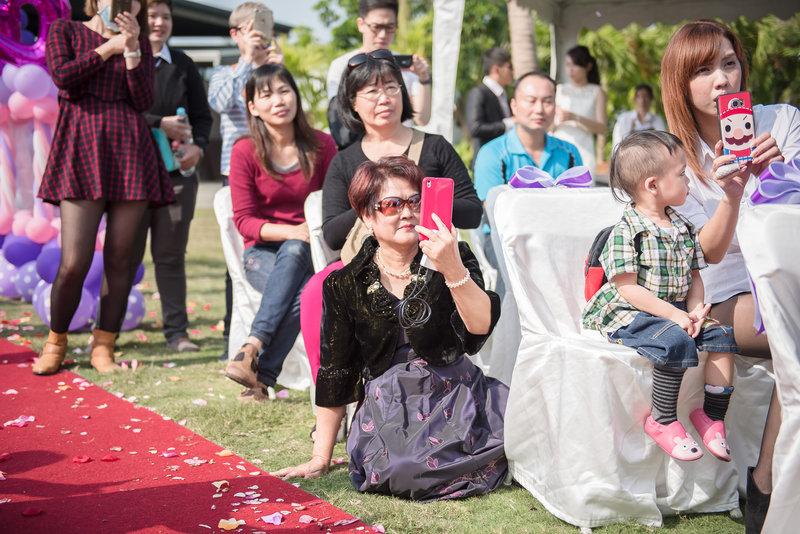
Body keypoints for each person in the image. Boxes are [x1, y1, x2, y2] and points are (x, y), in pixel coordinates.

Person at [273, 156, 508, 501]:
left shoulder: (452, 255)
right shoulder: (344, 283)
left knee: (524, 433)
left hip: (457, 393)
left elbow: (480, 327)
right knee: (404, 468)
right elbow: (337, 370)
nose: (407, 212)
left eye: (415, 201)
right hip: (391, 404)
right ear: (367, 216)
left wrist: (451, 267)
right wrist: (320, 457)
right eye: (392, 205)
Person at [661, 19, 800, 533]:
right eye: (703, 69)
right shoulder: (670, 154)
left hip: (789, 281)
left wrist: (783, 174)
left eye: (729, 63)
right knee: (797, 334)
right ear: (679, 81)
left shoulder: (781, 121)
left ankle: (764, 486)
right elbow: (702, 256)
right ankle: (765, 484)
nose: (722, 79)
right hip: (722, 298)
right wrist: (735, 196)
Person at [298, 50, 481, 422]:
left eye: (391, 87)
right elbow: (333, 233)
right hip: (365, 263)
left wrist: (421, 201)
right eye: (370, 91)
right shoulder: (344, 160)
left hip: (430, 260)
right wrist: (378, 197)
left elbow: (473, 211)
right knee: (316, 291)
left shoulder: (435, 146)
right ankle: (335, 408)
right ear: (352, 103)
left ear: (404, 93)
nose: (383, 98)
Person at [33, 0, 174, 376]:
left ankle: (103, 345)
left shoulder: (139, 42)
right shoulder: (66, 30)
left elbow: (143, 99)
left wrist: (129, 49)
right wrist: (106, 48)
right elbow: (63, 76)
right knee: (74, 261)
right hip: (81, 146)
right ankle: (55, 341)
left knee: (120, 261)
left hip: (130, 149)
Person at [583, 130, 740, 463]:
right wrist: (675, 316)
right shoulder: (628, 230)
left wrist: (696, 311)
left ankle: (712, 416)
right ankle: (663, 420)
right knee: (674, 341)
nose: (688, 181)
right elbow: (628, 288)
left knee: (723, 335)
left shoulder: (681, 226)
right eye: (682, 174)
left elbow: (695, 276)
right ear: (652, 185)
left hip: (678, 309)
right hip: (633, 311)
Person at [223, 64, 337, 403]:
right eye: (267, 94)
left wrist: (304, 235)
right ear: (253, 107)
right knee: (300, 274)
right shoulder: (245, 150)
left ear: (296, 96)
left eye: (284, 90)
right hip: (261, 254)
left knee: (298, 253)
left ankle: (251, 351)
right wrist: (293, 231)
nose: (278, 101)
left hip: (311, 250)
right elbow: (244, 221)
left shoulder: (322, 145)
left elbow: (332, 203)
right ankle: (263, 371)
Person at [135, 0, 213, 353]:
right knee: (124, 254)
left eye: (165, 16)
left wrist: (197, 146)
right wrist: (158, 123)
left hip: (177, 176)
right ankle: (106, 332)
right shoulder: (126, 59)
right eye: (152, 16)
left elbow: (202, 117)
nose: (159, 22)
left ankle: (177, 333)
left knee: (170, 255)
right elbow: (119, 110)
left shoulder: (183, 64)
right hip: (130, 174)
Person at [208, 1, 283, 360]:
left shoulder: (276, 72)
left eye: (263, 29)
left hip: (281, 171)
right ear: (235, 34)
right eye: (251, 30)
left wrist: (275, 73)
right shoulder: (225, 72)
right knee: (236, 261)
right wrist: (250, 65)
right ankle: (232, 337)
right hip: (237, 171)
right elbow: (221, 102)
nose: (260, 36)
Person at [326, 0, 431, 149]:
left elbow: (422, 118)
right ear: (361, 24)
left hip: (403, 147)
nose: (383, 35)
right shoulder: (342, 66)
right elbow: (341, 115)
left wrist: (424, 79)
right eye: (376, 27)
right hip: (361, 149)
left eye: (389, 27)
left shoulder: (407, 68)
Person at [473, 71, 582, 202]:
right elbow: (491, 209)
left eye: (548, 101)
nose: (539, 110)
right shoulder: (492, 153)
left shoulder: (570, 152)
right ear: (514, 106)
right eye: (531, 101)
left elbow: (579, 203)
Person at [553, 45, 607, 178]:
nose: (570, 70)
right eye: (567, 65)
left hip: (584, 148)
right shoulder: (559, 90)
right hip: (558, 145)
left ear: (588, 66)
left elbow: (602, 128)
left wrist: (574, 117)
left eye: (575, 65)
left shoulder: (596, 91)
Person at [465, 47, 514, 170]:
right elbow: (475, 128)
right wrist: (510, 123)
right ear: (496, 69)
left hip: (505, 161)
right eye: (510, 66)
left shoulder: (503, 95)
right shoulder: (479, 93)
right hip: (487, 163)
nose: (513, 71)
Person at [611, 83, 667, 151]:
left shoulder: (658, 120)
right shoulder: (624, 119)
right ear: (634, 99)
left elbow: (663, 144)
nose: (642, 100)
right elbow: (616, 145)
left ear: (651, 98)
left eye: (646, 96)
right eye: (639, 96)